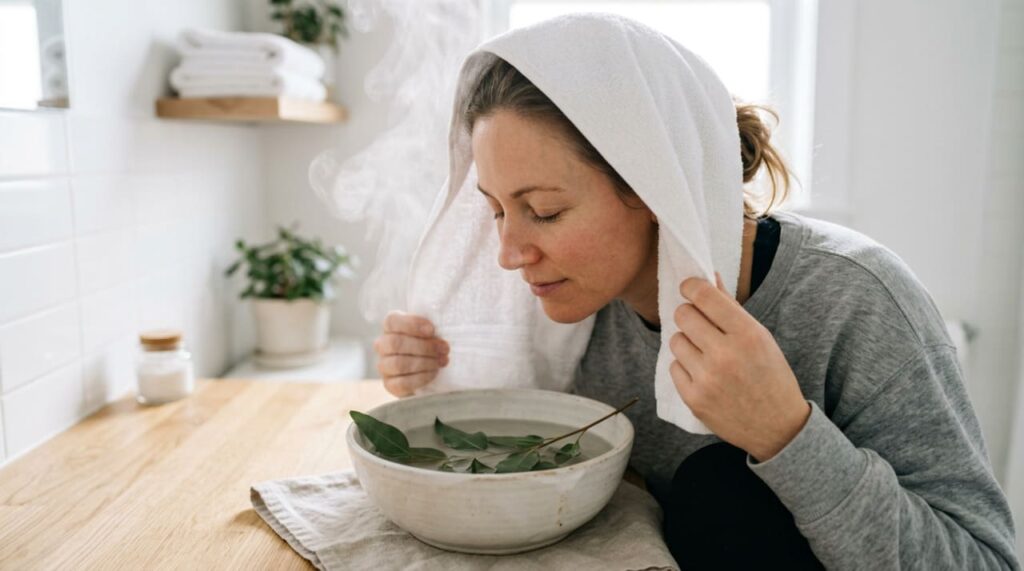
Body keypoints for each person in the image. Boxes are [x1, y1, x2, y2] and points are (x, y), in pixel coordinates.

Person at [371, 25, 1019, 571]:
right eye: (495, 211)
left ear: (655, 186)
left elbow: (985, 560)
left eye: (543, 210)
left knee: (722, 491)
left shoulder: (857, 301)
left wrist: (787, 434)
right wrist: (439, 375)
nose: (509, 254)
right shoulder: (567, 315)